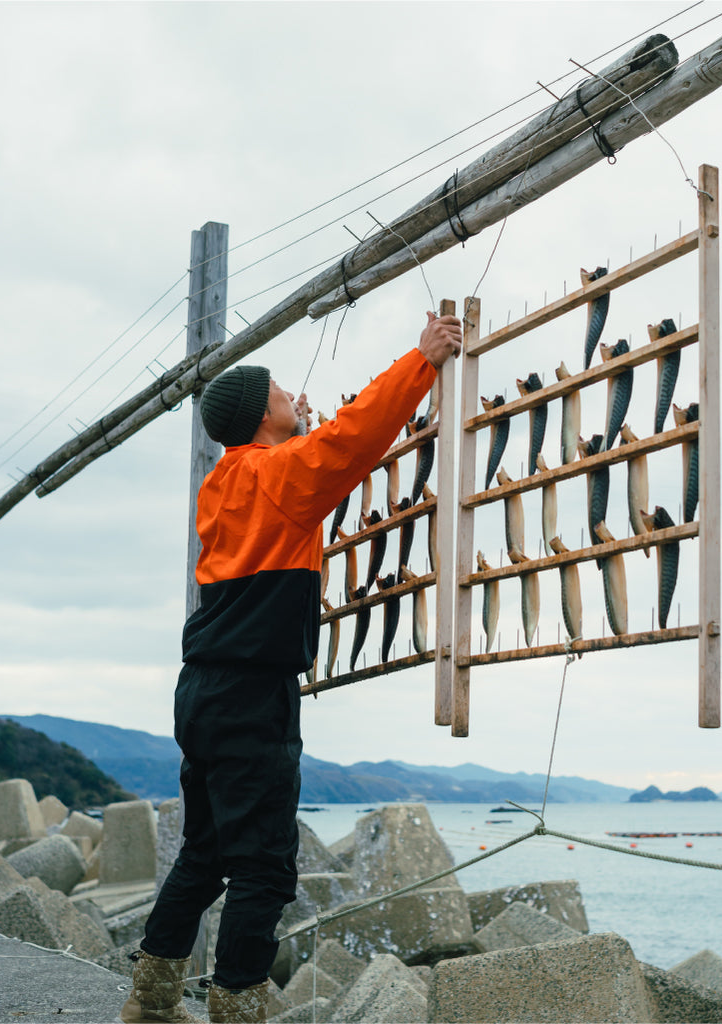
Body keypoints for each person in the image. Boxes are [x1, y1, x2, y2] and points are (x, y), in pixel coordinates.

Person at [120, 312, 462, 1024]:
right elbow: (353, 438)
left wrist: (292, 437)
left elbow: (291, 472)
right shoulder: (278, 476)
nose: (290, 392)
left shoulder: (223, 483)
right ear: (258, 415)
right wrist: (421, 360)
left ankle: (151, 999)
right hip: (251, 694)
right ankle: (238, 1007)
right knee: (265, 867)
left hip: (204, 690)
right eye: (278, 391)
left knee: (204, 852)